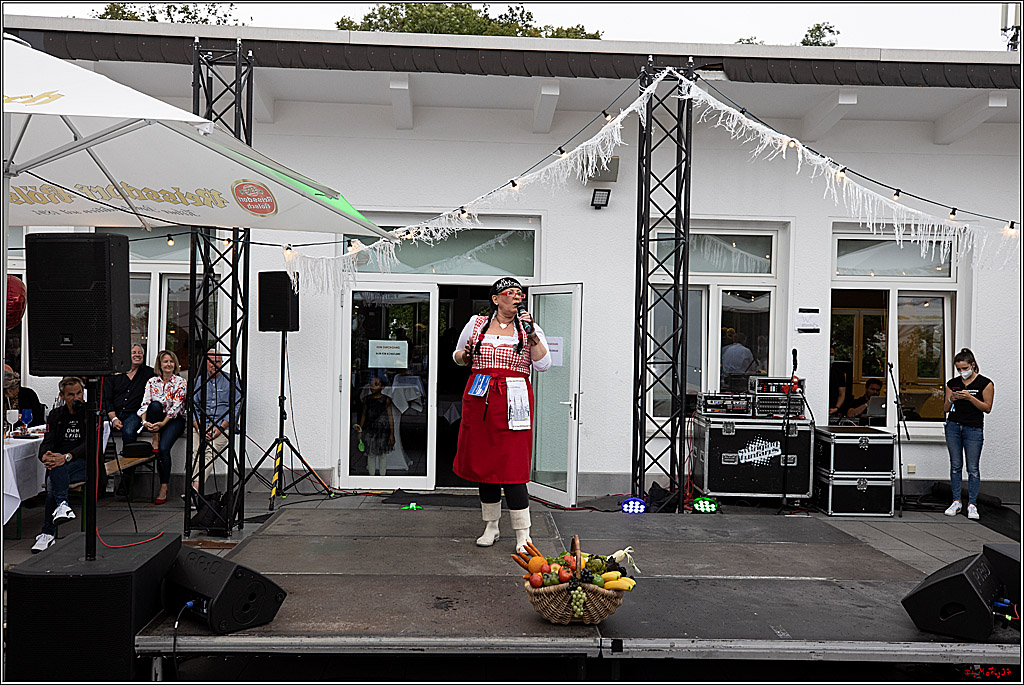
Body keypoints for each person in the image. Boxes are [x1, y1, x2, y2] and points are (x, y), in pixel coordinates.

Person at [452, 277, 551, 553]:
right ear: (496, 299)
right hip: (481, 395)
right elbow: (458, 356)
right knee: (486, 467)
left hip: (515, 395)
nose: (518, 297)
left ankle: (523, 533)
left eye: (520, 293)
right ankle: (491, 526)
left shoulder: (529, 327)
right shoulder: (476, 323)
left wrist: (531, 334)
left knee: (513, 466)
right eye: (511, 293)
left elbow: (543, 364)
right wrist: (464, 356)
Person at [31, 377, 88, 553]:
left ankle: (48, 533)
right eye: (71, 395)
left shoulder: (89, 413)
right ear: (62, 396)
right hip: (60, 463)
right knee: (56, 469)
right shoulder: (56, 415)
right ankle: (62, 505)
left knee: (53, 479)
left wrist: (67, 457)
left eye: (79, 393)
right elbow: (46, 442)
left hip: (83, 462)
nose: (77, 398)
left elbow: (90, 445)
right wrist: (45, 457)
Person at [942, 348, 994, 521]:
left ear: (972, 365)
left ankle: (972, 503)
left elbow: (987, 408)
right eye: (959, 369)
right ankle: (956, 500)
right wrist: (952, 399)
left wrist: (970, 397)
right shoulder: (953, 383)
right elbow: (945, 408)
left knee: (973, 468)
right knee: (955, 465)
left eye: (965, 368)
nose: (962, 372)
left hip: (973, 428)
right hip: (954, 426)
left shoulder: (985, 383)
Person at [138, 350, 188, 505]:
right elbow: (145, 404)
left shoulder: (180, 382)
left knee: (163, 450)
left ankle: (164, 486)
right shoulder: (151, 382)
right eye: (165, 361)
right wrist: (145, 423)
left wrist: (162, 424)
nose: (168, 364)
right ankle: (155, 437)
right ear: (159, 364)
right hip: (155, 419)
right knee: (154, 405)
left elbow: (177, 408)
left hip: (174, 420)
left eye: (171, 361)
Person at [190, 348, 240, 494]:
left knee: (210, 451)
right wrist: (200, 428)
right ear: (206, 363)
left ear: (222, 363)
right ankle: (195, 491)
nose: (214, 364)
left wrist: (220, 428)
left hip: (223, 426)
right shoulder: (198, 381)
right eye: (211, 362)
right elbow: (192, 407)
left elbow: (235, 408)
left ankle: (195, 489)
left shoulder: (232, 381)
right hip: (200, 425)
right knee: (195, 452)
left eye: (217, 361)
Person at [101, 343, 155, 446]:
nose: (137, 355)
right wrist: (114, 418)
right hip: (113, 412)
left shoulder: (149, 373)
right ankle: (98, 459)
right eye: (134, 352)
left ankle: (128, 459)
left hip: (134, 413)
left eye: (140, 353)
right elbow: (106, 398)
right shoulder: (114, 372)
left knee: (129, 431)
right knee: (99, 428)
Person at [359, 376, 395, 476]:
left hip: (383, 431)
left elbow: (390, 417)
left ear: (382, 387)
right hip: (370, 430)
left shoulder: (386, 400)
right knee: (371, 454)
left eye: (376, 384)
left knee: (382, 454)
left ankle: (382, 476)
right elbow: (363, 415)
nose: (372, 387)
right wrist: (360, 430)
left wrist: (392, 434)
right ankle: (372, 476)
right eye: (371, 384)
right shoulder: (366, 399)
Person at [828, 346, 849, 421]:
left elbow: (842, 393)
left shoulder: (839, 373)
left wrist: (836, 408)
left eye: (832, 354)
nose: (831, 356)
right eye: (829, 354)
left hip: (833, 409)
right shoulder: (817, 372)